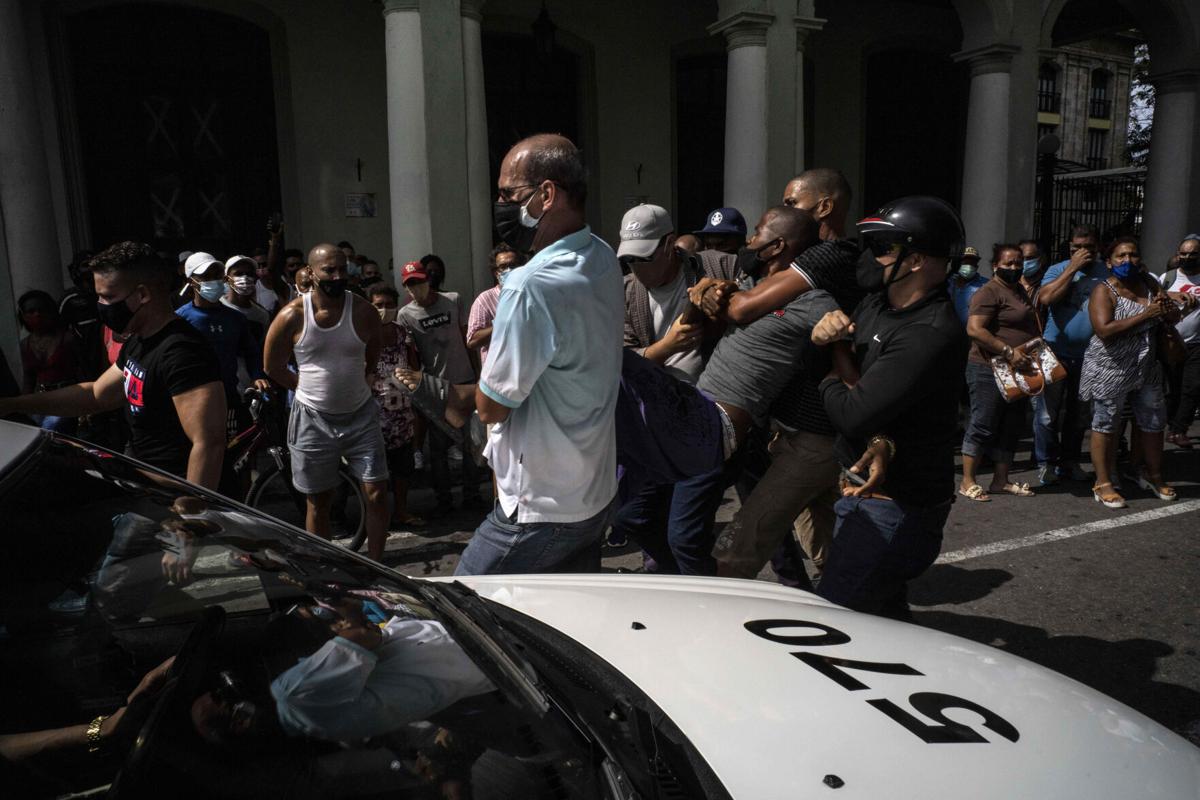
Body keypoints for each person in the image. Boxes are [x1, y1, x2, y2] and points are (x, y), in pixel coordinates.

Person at [457, 133, 623, 575]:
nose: (501, 205)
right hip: (594, 494)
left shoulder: (530, 286)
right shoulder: (603, 256)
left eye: (509, 194)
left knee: (462, 613)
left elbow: (491, 407)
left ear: (546, 195)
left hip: (538, 510)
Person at [810, 196, 969, 618]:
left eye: (882, 247)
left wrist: (832, 360)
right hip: (867, 491)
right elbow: (867, 398)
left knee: (837, 625)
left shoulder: (929, 332)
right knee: (881, 616)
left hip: (895, 508)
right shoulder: (878, 303)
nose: (869, 257)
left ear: (915, 260)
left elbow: (852, 412)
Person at [0, 242, 226, 487]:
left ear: (142, 295)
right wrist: (12, 405)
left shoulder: (181, 351)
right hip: (146, 483)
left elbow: (208, 443)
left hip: (174, 493)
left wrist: (193, 515)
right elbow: (97, 395)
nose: (101, 305)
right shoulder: (139, 341)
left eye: (108, 296)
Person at [609, 202, 741, 574]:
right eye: (630, 260)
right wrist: (663, 349)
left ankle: (707, 594)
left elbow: (757, 297)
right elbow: (620, 357)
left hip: (710, 415)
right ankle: (683, 580)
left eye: (644, 258)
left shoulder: (717, 266)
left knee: (686, 534)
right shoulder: (627, 291)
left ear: (669, 245)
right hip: (658, 418)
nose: (636, 268)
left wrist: (723, 292)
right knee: (632, 517)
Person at [262, 242, 390, 559]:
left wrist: (367, 376)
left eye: (342, 269)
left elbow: (374, 350)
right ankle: (324, 568)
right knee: (319, 501)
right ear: (310, 272)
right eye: (328, 270)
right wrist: (303, 386)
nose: (336, 276)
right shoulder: (292, 314)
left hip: (360, 416)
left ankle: (377, 566)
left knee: (376, 493)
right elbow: (272, 365)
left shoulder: (363, 311)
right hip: (312, 419)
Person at [1080, 237, 1179, 509]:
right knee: (1106, 423)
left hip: (1146, 367)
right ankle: (1102, 483)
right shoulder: (1104, 291)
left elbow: (1166, 316)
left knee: (1153, 422)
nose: (1127, 260)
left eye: (1133, 255)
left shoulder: (1149, 284)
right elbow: (1104, 330)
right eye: (1121, 256)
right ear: (1109, 262)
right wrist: (1147, 314)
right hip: (1110, 368)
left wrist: (1170, 311)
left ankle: (1152, 473)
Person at [397, 260, 482, 515]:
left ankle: (472, 495)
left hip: (465, 381)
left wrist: (479, 376)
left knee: (472, 444)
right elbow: (411, 354)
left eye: (420, 281)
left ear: (428, 280)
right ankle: (443, 499)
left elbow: (468, 337)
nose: (417, 288)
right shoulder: (406, 315)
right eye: (411, 284)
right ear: (406, 288)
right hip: (436, 387)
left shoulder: (453, 300)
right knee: (438, 448)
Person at [959, 244, 1041, 501]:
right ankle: (967, 481)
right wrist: (1007, 351)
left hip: (1018, 369)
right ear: (995, 266)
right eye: (1009, 264)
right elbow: (975, 330)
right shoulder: (988, 292)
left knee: (1011, 425)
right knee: (983, 424)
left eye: (1018, 263)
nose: (1015, 268)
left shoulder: (1018, 290)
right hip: (987, 368)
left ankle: (1000, 480)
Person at [1036, 224, 1109, 485]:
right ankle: (1046, 462)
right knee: (1047, 414)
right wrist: (1072, 268)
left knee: (1079, 415)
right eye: (1075, 248)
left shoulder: (1106, 273)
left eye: (1087, 248)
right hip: (1055, 352)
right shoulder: (1057, 270)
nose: (1081, 252)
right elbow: (1046, 299)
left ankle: (1070, 462)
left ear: (1098, 248)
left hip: (1090, 355)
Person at [176, 252, 266, 442]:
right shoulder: (179, 319)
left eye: (217, 276)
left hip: (229, 398)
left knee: (233, 451)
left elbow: (251, 352)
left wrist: (257, 376)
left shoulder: (236, 318)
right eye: (206, 277)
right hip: (190, 401)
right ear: (192, 281)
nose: (214, 281)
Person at [369, 283, 424, 528]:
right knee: (375, 472)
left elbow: (413, 366)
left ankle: (401, 511)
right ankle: (377, 519)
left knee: (403, 468)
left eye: (389, 304)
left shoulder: (403, 333)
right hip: (372, 414)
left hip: (401, 411)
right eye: (378, 305)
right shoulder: (363, 335)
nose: (384, 309)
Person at [17, 290, 87, 433]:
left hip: (67, 397)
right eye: (31, 311)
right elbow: (29, 379)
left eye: (41, 310)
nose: (37, 315)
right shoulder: (25, 345)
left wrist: (86, 407)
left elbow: (83, 372)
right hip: (41, 399)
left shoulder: (67, 339)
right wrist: (21, 407)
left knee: (50, 429)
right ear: (23, 316)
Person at [1160, 233, 1200, 449]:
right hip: (1170, 343)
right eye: (1183, 254)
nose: (1188, 257)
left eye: (1193, 254)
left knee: (1192, 386)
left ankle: (1178, 430)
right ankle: (1170, 424)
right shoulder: (1167, 278)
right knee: (1172, 389)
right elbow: (1154, 302)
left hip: (1197, 344)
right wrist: (1170, 297)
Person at [466, 244, 526, 366]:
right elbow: (472, 341)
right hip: (499, 376)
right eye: (503, 267)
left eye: (513, 266)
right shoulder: (485, 300)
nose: (509, 270)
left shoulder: (532, 295)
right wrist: (503, 324)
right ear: (495, 272)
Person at [221, 255, 271, 394]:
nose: (245, 278)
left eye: (249, 274)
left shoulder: (261, 315)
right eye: (238, 274)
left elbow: (261, 351)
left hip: (252, 386)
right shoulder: (218, 308)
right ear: (226, 279)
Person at [950, 246, 987, 325]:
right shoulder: (948, 282)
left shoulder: (985, 285)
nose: (969, 266)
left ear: (977, 266)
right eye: (965, 262)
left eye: (972, 263)